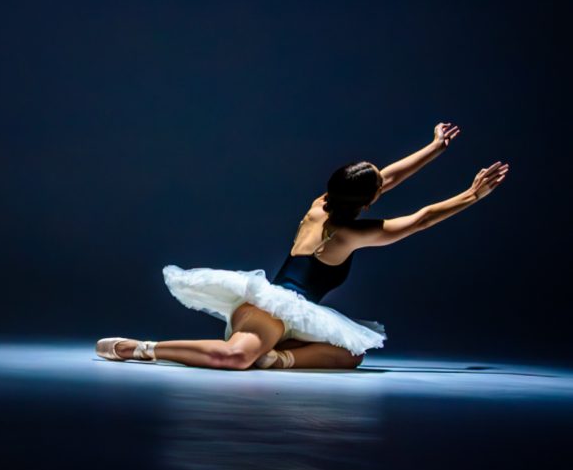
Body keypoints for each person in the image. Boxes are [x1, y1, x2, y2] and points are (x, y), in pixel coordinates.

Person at [96, 123, 508, 370]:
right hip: (272, 312)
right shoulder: (352, 234)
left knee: (352, 354)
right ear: (365, 203)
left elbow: (384, 180)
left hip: (282, 314)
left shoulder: (320, 205)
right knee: (233, 359)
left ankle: (275, 359)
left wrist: (435, 148)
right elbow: (420, 219)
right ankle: (140, 348)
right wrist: (471, 195)